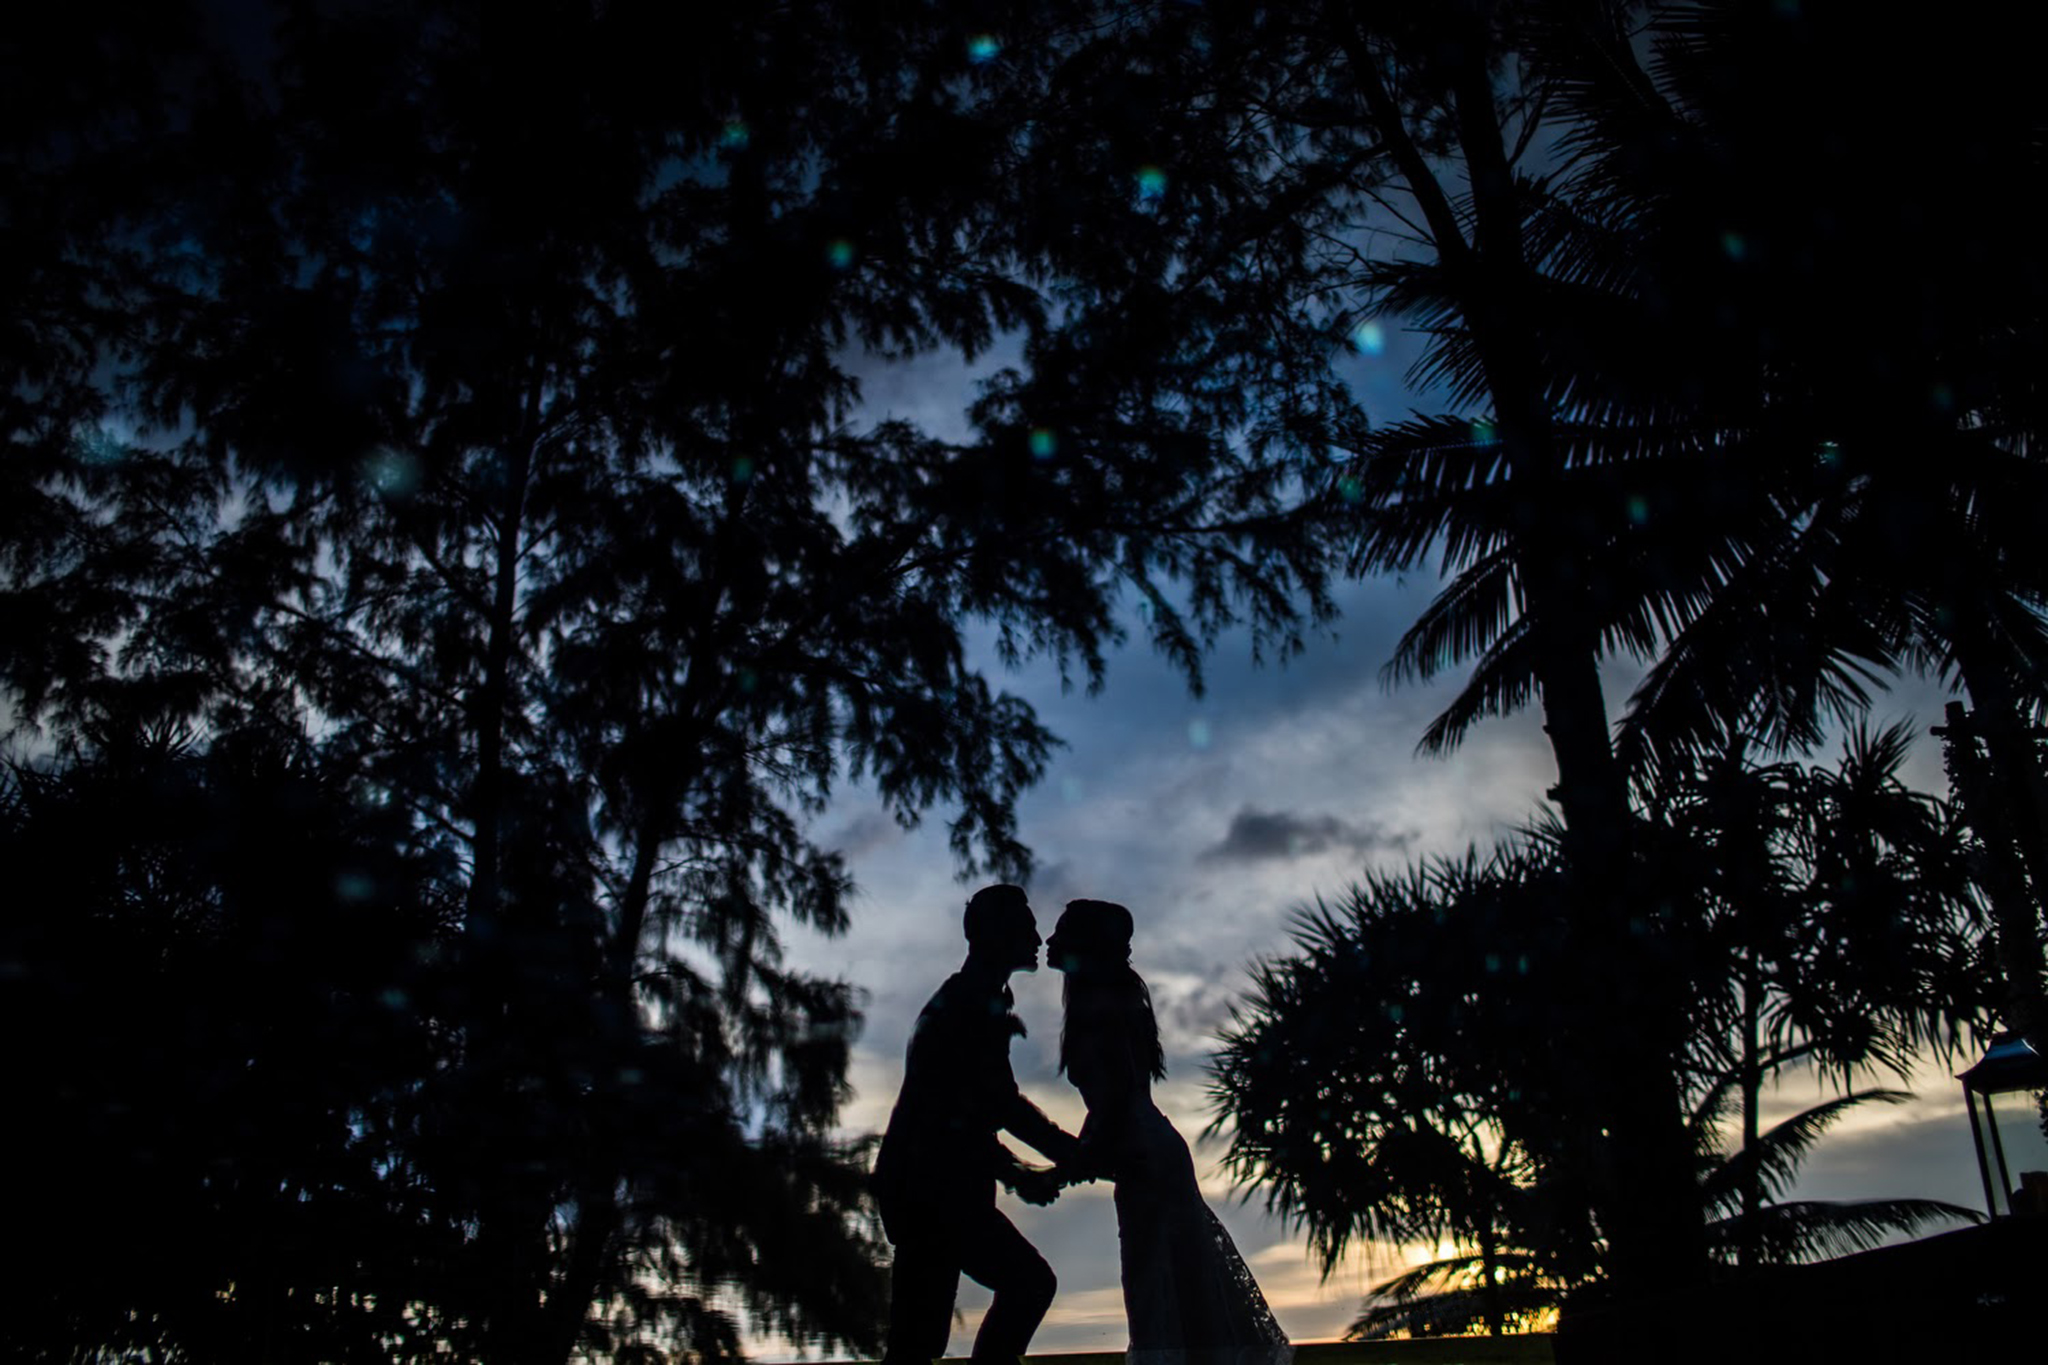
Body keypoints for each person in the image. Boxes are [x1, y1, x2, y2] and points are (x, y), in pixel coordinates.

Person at [1046, 899, 1292, 1365]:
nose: (1049, 942)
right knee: (1175, 1287)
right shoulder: (1107, 1001)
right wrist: (1079, 1155)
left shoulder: (1097, 1007)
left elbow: (1114, 1100)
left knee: (1161, 1289)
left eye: (1060, 933)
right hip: (1152, 1149)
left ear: (1084, 945)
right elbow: (1111, 1102)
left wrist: (1073, 1162)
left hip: (1144, 1158)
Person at [872, 884, 1082, 1365]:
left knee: (920, 1338)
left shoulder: (978, 999)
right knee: (929, 1334)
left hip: (936, 1188)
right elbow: (970, 1112)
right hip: (929, 1191)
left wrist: (1050, 1160)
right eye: (1025, 926)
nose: (1036, 935)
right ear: (994, 936)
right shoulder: (966, 1006)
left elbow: (990, 1106)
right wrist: (1048, 1163)